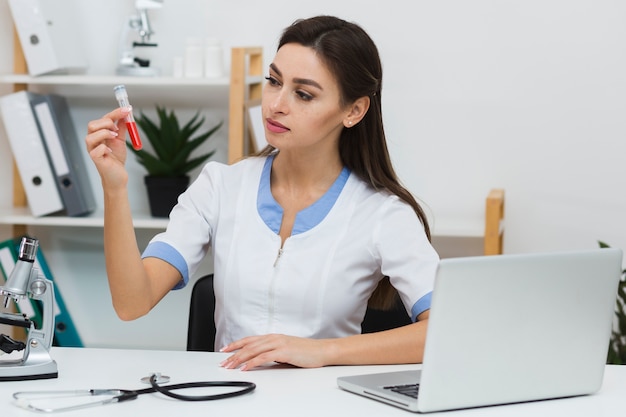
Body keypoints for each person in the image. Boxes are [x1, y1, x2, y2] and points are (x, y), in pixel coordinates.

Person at [85, 15, 439, 371]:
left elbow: (444, 330)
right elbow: (132, 302)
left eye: (303, 94)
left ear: (354, 110)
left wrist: (323, 351)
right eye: (273, 81)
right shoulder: (220, 187)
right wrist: (115, 188)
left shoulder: (382, 213)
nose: (275, 104)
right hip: (226, 398)